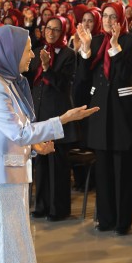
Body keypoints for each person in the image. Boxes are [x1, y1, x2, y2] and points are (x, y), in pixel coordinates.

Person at [0, 25, 98, 263]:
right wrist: (63, 120)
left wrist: (35, 147)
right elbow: (19, 132)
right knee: (2, 255)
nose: (32, 54)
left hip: (6, 181)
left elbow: (13, 133)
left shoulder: (6, 83)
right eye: (27, 49)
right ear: (9, 52)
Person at [74, 2, 132, 234]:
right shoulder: (97, 40)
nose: (109, 20)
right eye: (106, 16)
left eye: (113, 16)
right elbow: (83, 77)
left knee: (123, 169)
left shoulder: (130, 41)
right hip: (100, 110)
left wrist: (115, 47)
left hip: (122, 112)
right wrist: (85, 49)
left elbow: (124, 74)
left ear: (121, 19)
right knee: (103, 169)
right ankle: (106, 218)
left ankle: (122, 222)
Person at [27, 15, 78, 221]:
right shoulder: (38, 52)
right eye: (49, 28)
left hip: (58, 115)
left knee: (57, 166)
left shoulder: (68, 55)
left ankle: (58, 209)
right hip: (39, 114)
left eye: (56, 29)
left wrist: (48, 68)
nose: (51, 32)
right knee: (40, 165)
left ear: (63, 32)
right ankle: (41, 205)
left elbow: (63, 85)